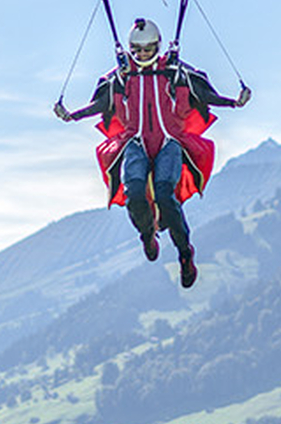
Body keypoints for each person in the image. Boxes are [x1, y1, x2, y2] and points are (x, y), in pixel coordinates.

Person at [55, 18, 249, 289]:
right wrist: (72, 115)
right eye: (138, 50)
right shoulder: (121, 77)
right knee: (134, 192)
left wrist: (233, 102)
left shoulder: (174, 72)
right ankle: (147, 233)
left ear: (157, 46)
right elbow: (100, 104)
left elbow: (204, 95)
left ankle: (185, 253)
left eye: (148, 49)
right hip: (134, 141)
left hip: (170, 141)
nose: (143, 54)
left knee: (165, 195)